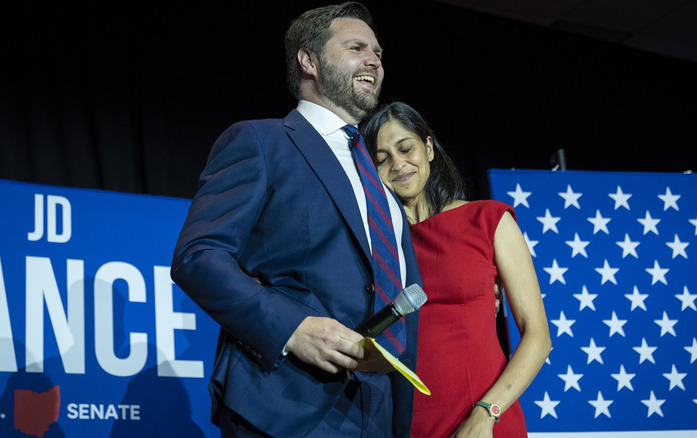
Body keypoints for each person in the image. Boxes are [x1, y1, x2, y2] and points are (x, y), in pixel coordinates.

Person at [170, 4, 423, 437]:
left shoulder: (380, 182)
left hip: (377, 414)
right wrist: (293, 328)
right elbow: (198, 256)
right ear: (309, 61)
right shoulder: (260, 141)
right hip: (284, 406)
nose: (374, 61)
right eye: (357, 47)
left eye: (378, 53)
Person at [362, 102, 551, 438]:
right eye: (382, 158)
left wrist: (487, 413)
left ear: (429, 148)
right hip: (404, 424)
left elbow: (538, 336)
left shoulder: (488, 220)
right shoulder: (376, 247)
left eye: (406, 148)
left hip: (485, 420)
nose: (398, 164)